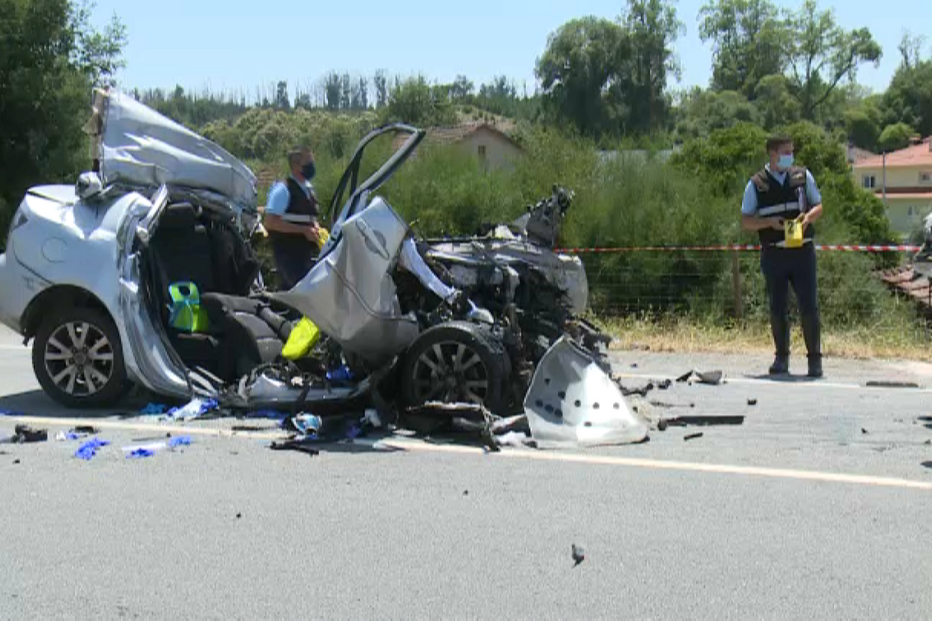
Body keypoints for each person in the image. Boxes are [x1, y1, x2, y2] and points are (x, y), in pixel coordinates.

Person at [741, 135, 824, 378]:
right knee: (777, 308)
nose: (790, 155)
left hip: (802, 252)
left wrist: (807, 218)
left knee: (809, 306)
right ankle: (781, 359)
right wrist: (768, 223)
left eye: (791, 151)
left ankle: (814, 361)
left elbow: (818, 205)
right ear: (772, 154)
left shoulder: (802, 176)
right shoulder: (756, 184)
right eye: (785, 152)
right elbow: (746, 220)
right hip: (774, 254)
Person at [263, 147, 322, 290]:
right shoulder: (283, 189)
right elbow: (270, 222)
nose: (312, 165)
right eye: (308, 162)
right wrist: (303, 230)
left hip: (305, 254)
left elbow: (307, 217)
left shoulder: (308, 189)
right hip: (288, 256)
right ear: (296, 165)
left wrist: (315, 227)